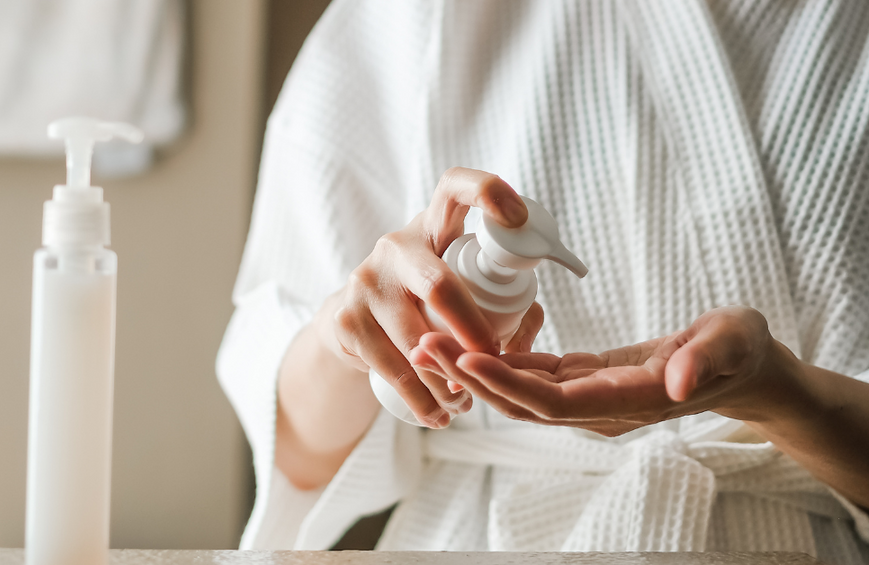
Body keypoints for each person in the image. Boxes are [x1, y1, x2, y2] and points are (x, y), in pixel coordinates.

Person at [217, 0, 869, 560]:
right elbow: (297, 457)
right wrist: (349, 337)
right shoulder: (412, 15)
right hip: (483, 538)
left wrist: (785, 398)